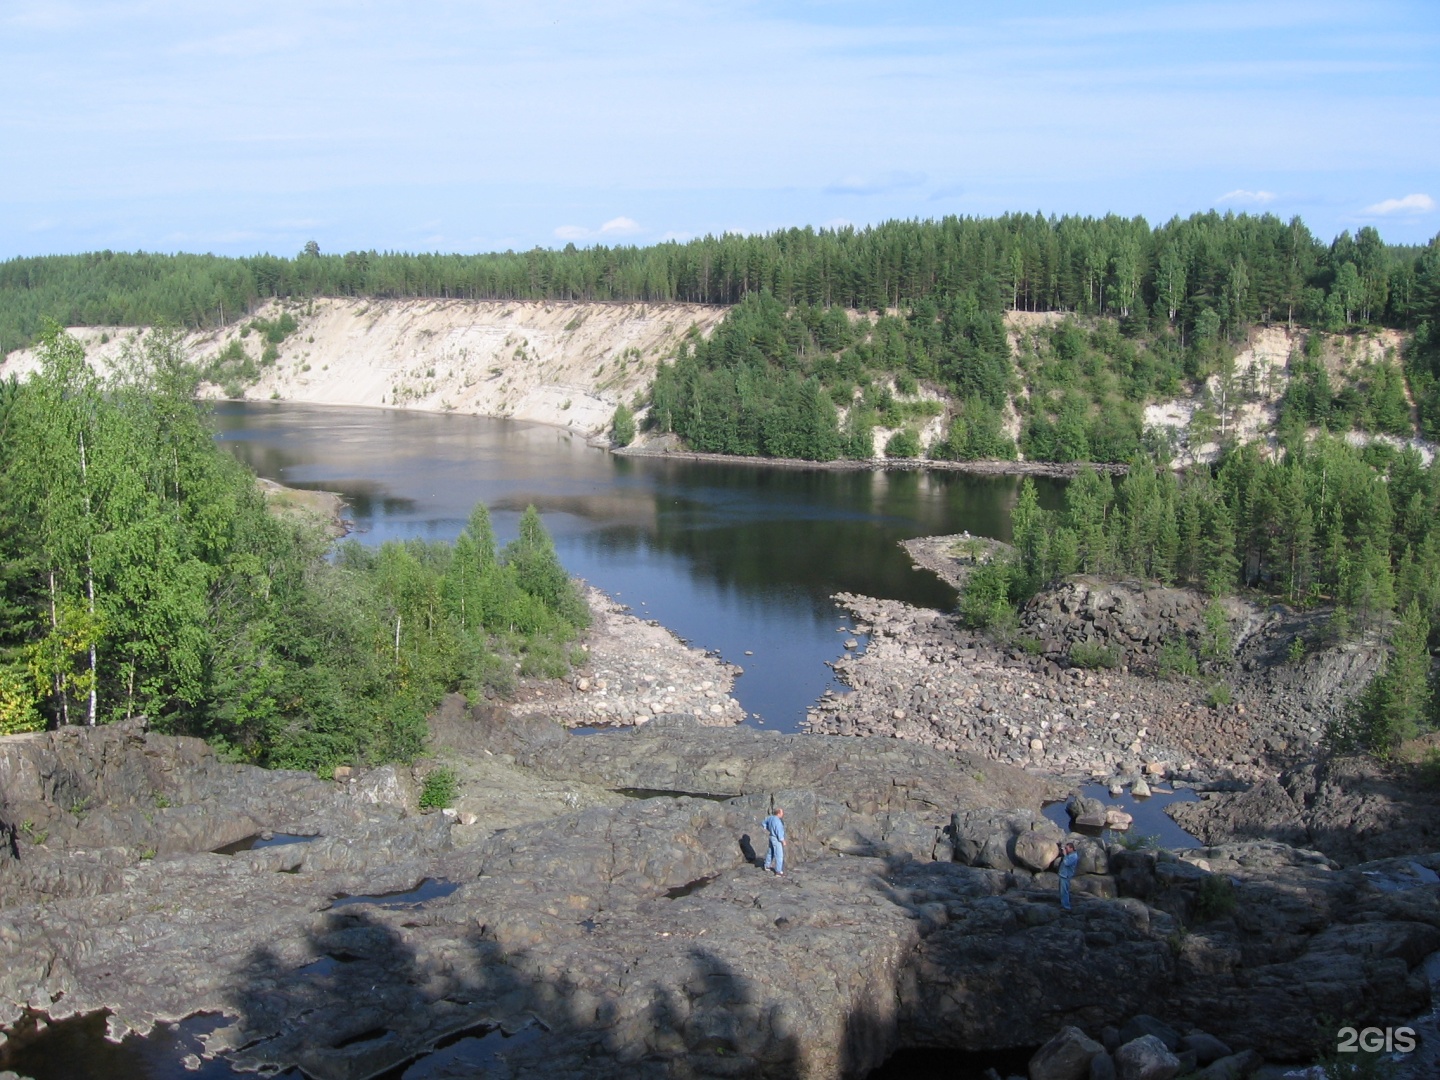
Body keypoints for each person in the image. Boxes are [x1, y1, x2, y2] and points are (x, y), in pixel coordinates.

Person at [762, 807, 786, 876]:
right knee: (779, 855)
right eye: (782, 812)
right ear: (778, 813)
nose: (783, 814)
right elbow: (779, 832)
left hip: (771, 836)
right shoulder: (778, 821)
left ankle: (767, 865)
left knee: (771, 851)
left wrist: (767, 828)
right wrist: (783, 841)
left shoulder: (770, 818)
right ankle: (778, 871)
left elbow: (763, 823)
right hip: (776, 838)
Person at [1057, 841, 1078, 910]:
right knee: (1061, 891)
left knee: (1064, 892)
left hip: (1066, 876)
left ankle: (1066, 907)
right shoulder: (1070, 855)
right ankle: (1063, 904)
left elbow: (1066, 863)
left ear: (1071, 848)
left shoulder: (1074, 856)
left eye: (1067, 848)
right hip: (1063, 875)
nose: (1066, 850)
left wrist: (1065, 855)